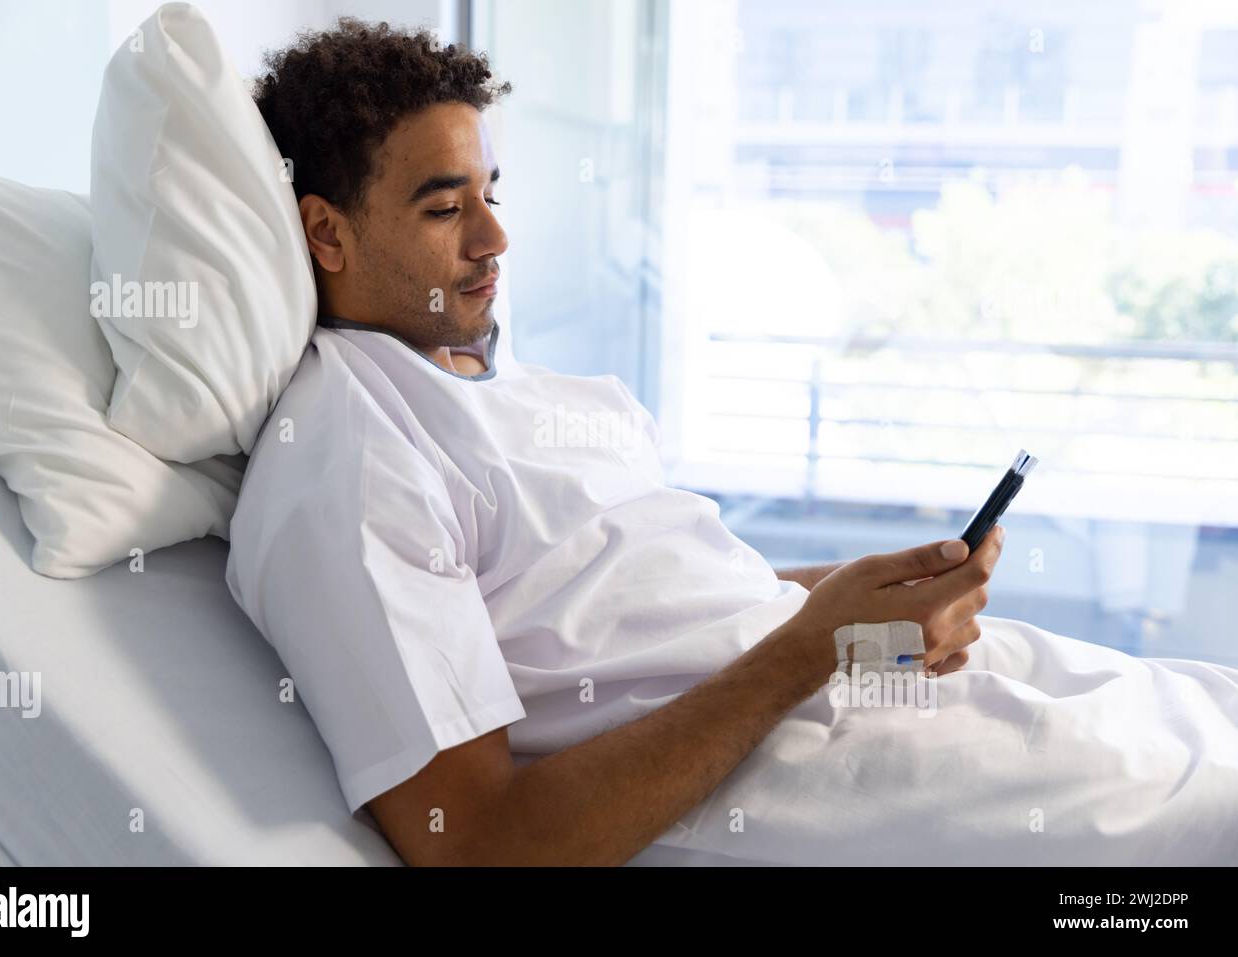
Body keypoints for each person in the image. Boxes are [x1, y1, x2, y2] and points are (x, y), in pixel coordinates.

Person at [226, 18, 1238, 867]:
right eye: (445, 207)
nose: (494, 239)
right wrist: (813, 646)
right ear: (326, 234)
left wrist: (855, 596)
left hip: (831, 673)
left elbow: (633, 619)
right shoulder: (351, 457)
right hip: (795, 759)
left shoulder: (506, 383)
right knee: (1200, 800)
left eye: (492, 193)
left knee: (1202, 706)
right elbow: (477, 840)